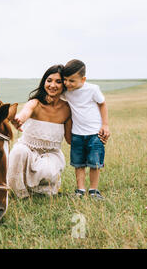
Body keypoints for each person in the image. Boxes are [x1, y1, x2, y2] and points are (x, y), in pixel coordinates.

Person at [7, 65, 72, 198]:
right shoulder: (35, 103)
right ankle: (19, 193)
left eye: (58, 82)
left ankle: (41, 191)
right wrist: (17, 120)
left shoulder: (67, 109)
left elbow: (70, 139)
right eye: (49, 80)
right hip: (28, 149)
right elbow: (24, 114)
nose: (52, 85)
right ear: (44, 82)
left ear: (64, 85)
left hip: (50, 154)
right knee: (18, 152)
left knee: (47, 171)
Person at [62, 59, 110, 200]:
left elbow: (102, 104)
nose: (67, 84)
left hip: (95, 133)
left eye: (72, 81)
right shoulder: (67, 92)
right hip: (77, 134)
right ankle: (80, 190)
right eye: (65, 80)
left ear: (83, 79)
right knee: (79, 164)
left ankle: (94, 190)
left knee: (95, 164)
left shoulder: (92, 89)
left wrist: (105, 125)